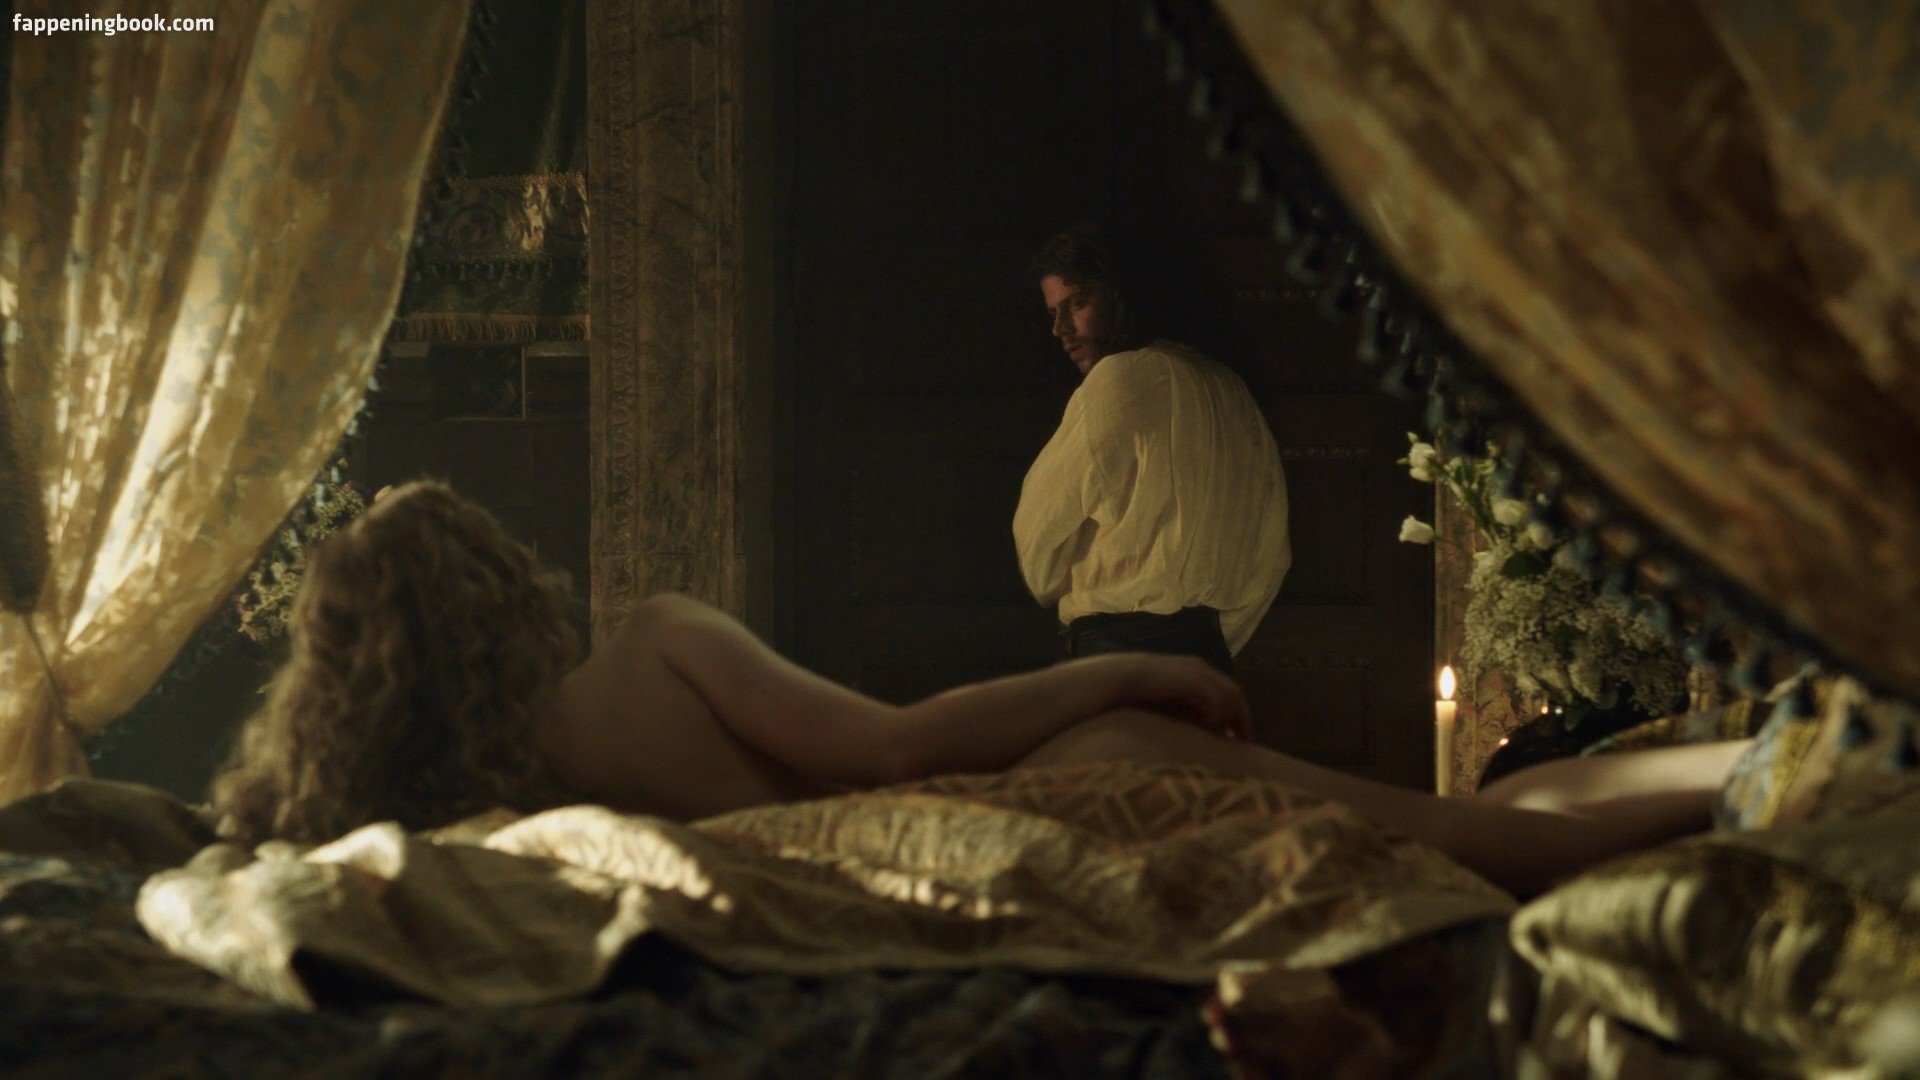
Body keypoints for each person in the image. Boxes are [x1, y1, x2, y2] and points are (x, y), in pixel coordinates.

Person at [213, 481, 1751, 899]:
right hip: (1014, 813)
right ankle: (1752, 778)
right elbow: (894, 750)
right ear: (495, 588)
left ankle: (1735, 773)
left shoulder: (472, 830)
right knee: (1471, 836)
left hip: (948, 865)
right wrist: (1127, 666)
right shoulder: (647, 649)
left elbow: (244, 831)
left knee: (1453, 832)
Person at [1014, 224, 1290, 677]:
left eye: (1077, 303)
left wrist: (1087, 591)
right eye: (1053, 312)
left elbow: (1037, 538)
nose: (1060, 329)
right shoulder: (1230, 388)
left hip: (1115, 661)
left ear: (1118, 294)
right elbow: (1271, 558)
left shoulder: (1117, 380)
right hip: (1208, 665)